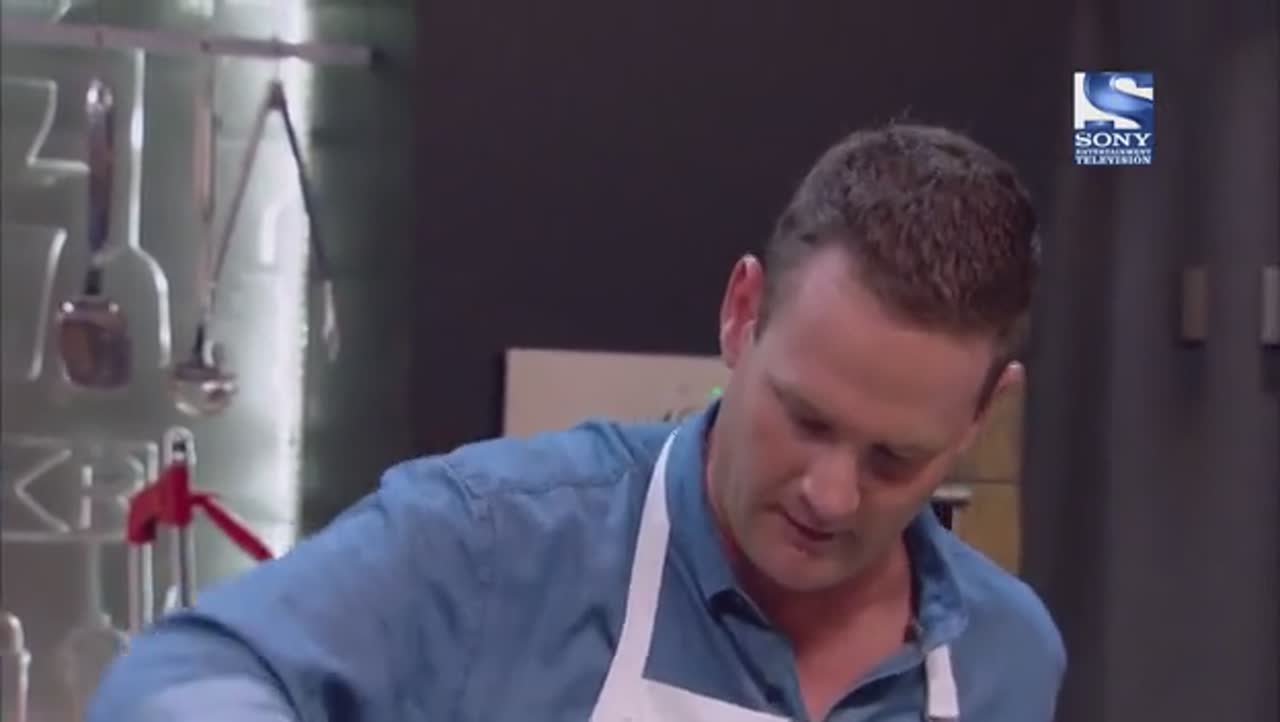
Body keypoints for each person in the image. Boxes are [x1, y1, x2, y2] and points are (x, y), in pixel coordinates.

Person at [88, 122, 1064, 722]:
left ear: (983, 413)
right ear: (741, 314)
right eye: (804, 418)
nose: (830, 493)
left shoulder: (1004, 656)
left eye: (894, 459)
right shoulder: (491, 544)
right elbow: (182, 675)